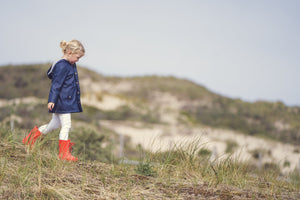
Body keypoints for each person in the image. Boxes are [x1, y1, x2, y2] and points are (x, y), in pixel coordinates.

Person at [23, 39, 85, 161]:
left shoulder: (69, 63)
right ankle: (63, 153)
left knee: (54, 124)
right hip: (62, 101)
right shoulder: (62, 65)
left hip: (63, 100)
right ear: (70, 52)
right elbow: (56, 84)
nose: (78, 60)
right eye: (77, 57)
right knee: (66, 125)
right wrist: (51, 100)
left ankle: (31, 139)